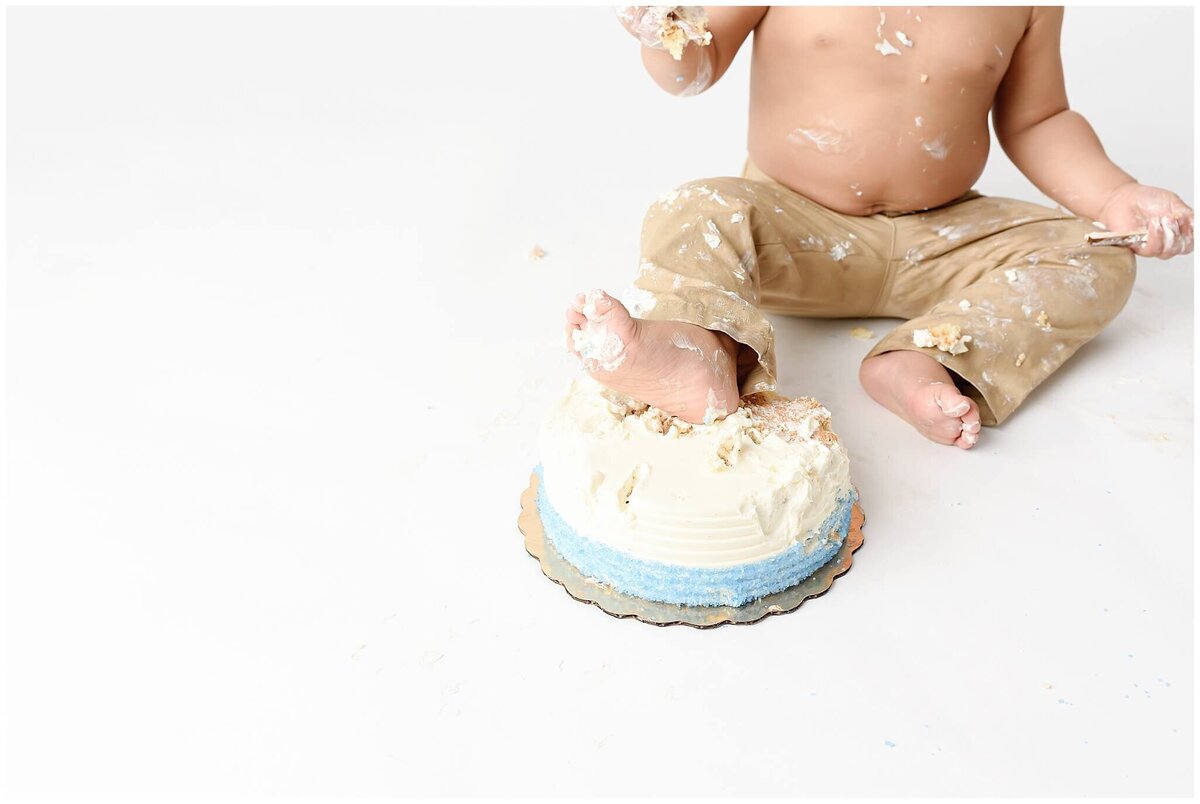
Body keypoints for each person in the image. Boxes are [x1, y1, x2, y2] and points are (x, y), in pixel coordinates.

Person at [565, 6, 1193, 449]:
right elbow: (693, 67)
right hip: (792, 230)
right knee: (694, 207)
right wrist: (664, 28)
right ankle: (696, 350)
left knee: (1096, 253)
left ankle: (926, 359)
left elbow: (1039, 119)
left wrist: (1116, 193)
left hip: (941, 239)